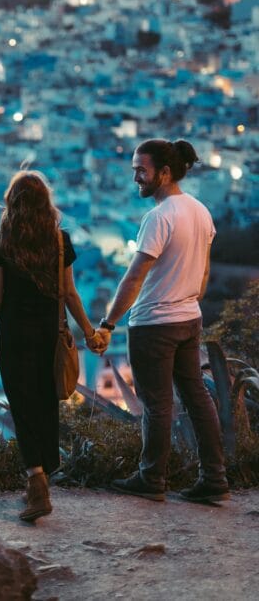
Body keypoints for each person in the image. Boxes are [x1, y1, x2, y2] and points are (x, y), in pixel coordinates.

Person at [94, 139, 229, 503]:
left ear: (165, 172)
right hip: (188, 318)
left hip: (154, 323)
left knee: (156, 404)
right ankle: (214, 478)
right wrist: (185, 300)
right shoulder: (200, 211)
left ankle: (151, 478)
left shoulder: (159, 217)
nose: (136, 177)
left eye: (142, 170)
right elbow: (203, 276)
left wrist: (108, 323)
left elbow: (134, 277)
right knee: (198, 397)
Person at [0, 171, 104, 522]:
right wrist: (89, 331)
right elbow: (69, 294)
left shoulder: (2, 241)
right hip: (49, 335)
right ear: (45, 204)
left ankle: (36, 481)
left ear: (12, 203)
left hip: (13, 336)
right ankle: (43, 477)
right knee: (46, 403)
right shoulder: (60, 241)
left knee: (22, 407)